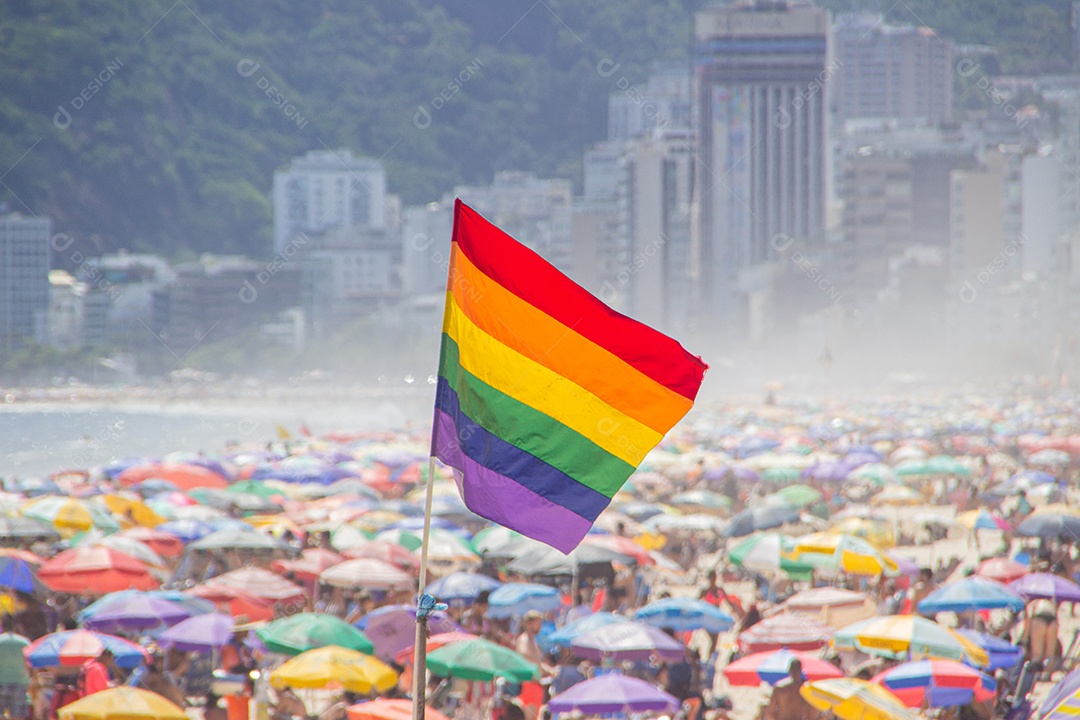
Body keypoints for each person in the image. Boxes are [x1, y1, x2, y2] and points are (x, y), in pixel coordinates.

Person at [0, 616, 30, 720]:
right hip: (20, 682)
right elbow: (30, 663)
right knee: (17, 715)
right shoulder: (24, 642)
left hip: (1, 681)